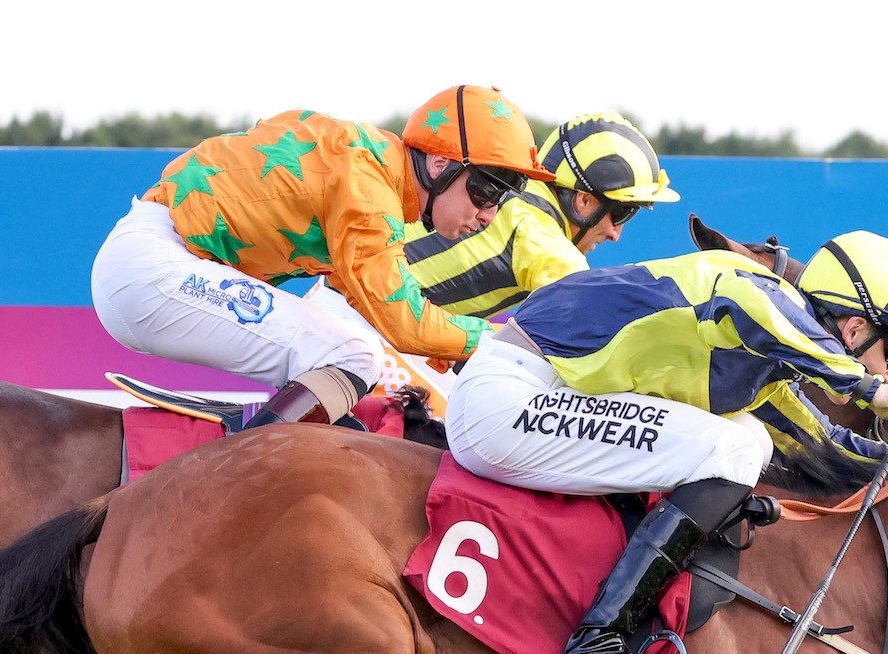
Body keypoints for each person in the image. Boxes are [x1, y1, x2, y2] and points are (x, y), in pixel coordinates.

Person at [446, 232, 888, 654]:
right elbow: (760, 308)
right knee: (731, 445)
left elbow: (830, 448)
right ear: (855, 327)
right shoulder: (751, 289)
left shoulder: (758, 365)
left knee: (747, 437)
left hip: (527, 405)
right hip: (507, 400)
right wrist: (871, 389)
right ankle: (597, 641)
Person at [91, 85, 552, 429]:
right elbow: (403, 323)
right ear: (439, 164)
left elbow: (370, 302)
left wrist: (451, 352)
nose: (489, 214)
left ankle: (260, 446)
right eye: (486, 190)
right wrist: (491, 345)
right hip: (154, 268)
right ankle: (247, 472)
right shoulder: (368, 187)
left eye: (502, 199)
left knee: (347, 350)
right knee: (352, 356)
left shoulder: (371, 168)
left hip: (152, 260)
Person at [403, 112, 678, 318]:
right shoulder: (547, 242)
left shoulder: (516, 190)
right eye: (621, 213)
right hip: (373, 326)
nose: (615, 234)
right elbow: (592, 327)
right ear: (583, 200)